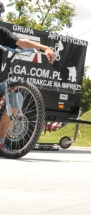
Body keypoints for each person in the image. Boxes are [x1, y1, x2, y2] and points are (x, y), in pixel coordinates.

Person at [0, 12, 57, 152]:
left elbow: (21, 42)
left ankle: (0, 143)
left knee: (15, 98)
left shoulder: (1, 32)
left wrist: (45, 48)